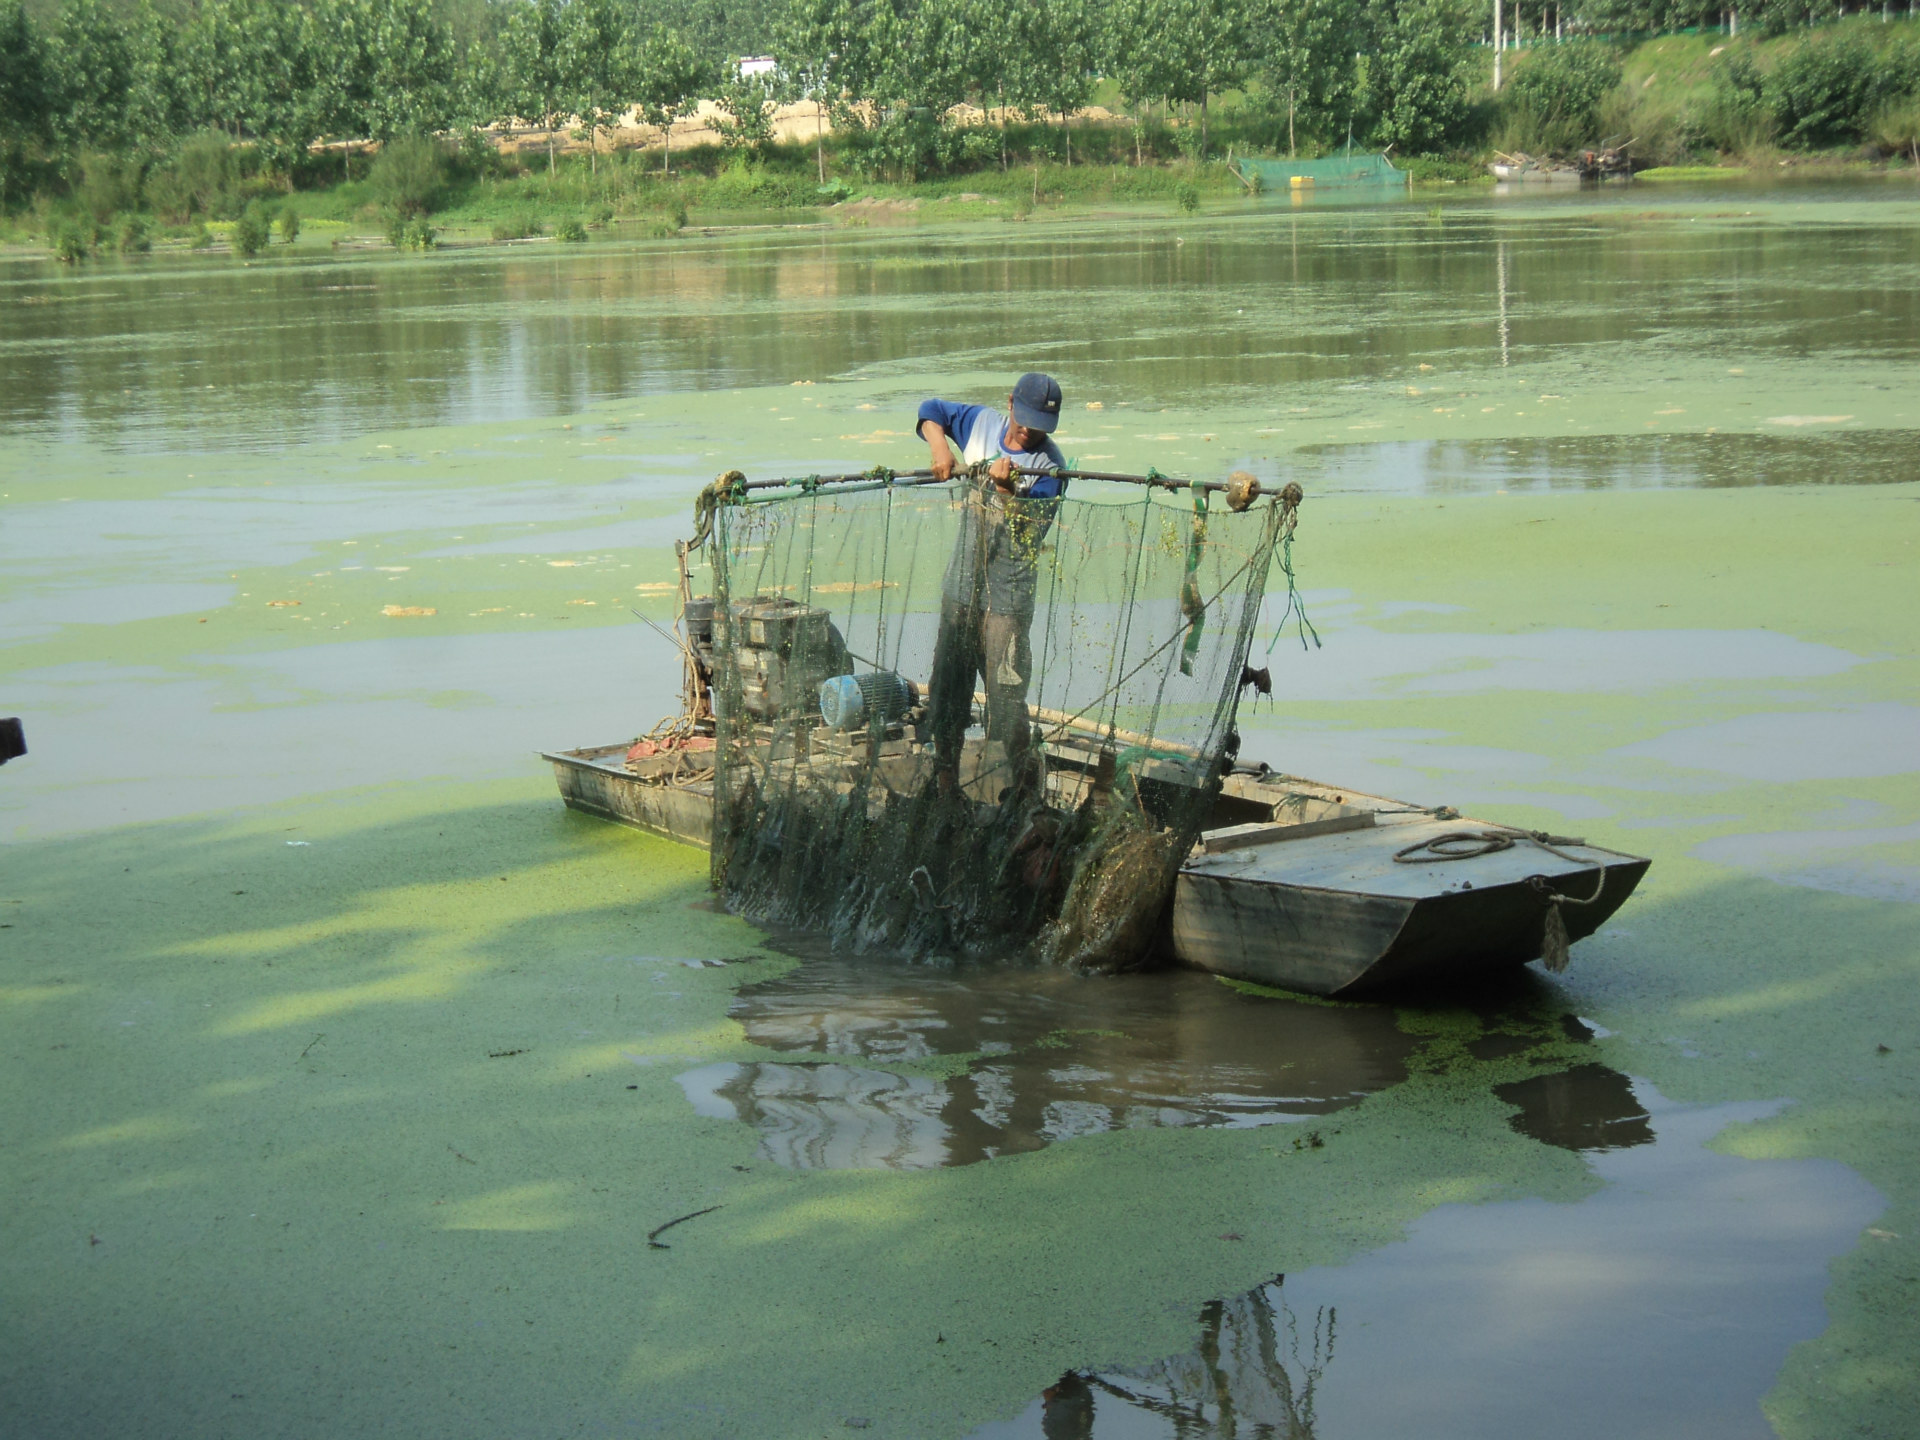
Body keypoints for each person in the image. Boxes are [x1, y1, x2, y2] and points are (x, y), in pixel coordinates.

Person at [914, 373, 1068, 796]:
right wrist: (941, 447)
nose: (1028, 431)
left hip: (1008, 599)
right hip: (963, 584)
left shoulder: (1051, 467)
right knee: (948, 686)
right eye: (1024, 419)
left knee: (1006, 698)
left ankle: (1025, 783)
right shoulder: (981, 424)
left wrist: (1006, 491)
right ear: (1011, 404)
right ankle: (947, 785)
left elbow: (1028, 532)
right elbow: (932, 410)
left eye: (1039, 426)